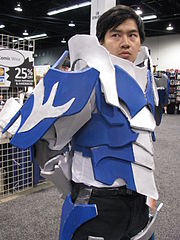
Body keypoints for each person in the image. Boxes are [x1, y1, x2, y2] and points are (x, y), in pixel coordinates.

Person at [3, 4, 160, 240]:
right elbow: (46, 143)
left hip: (139, 200)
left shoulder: (147, 84)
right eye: (115, 34)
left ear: (140, 41)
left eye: (132, 35)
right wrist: (73, 188)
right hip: (97, 201)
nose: (125, 42)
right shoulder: (89, 82)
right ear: (101, 42)